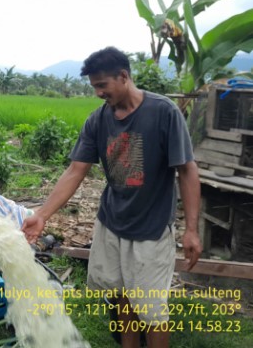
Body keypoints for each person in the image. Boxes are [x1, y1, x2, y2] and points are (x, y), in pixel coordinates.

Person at [22, 47, 202, 348]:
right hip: (111, 224)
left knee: (152, 310)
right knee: (119, 295)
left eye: (102, 86)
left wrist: (192, 229)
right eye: (94, 87)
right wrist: (42, 214)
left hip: (151, 228)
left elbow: (187, 170)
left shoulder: (163, 112)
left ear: (124, 76)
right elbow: (75, 171)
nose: (98, 93)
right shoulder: (98, 120)